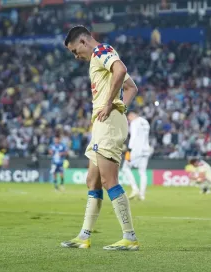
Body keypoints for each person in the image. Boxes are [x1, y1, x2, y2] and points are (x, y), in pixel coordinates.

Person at [60, 26, 139, 250]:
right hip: (103, 123)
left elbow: (121, 70)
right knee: (92, 181)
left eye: (75, 50)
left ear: (84, 42)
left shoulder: (102, 51)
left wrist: (109, 105)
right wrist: (121, 105)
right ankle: (84, 236)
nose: (76, 56)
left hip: (109, 123)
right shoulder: (101, 58)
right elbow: (131, 88)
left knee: (108, 180)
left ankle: (130, 237)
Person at [121, 111, 151, 201]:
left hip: (136, 150)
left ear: (131, 115)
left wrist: (129, 150)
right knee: (142, 172)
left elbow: (133, 137)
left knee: (125, 168)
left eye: (128, 118)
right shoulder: (145, 122)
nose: (129, 120)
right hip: (146, 149)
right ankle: (142, 195)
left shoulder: (134, 123)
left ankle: (135, 189)